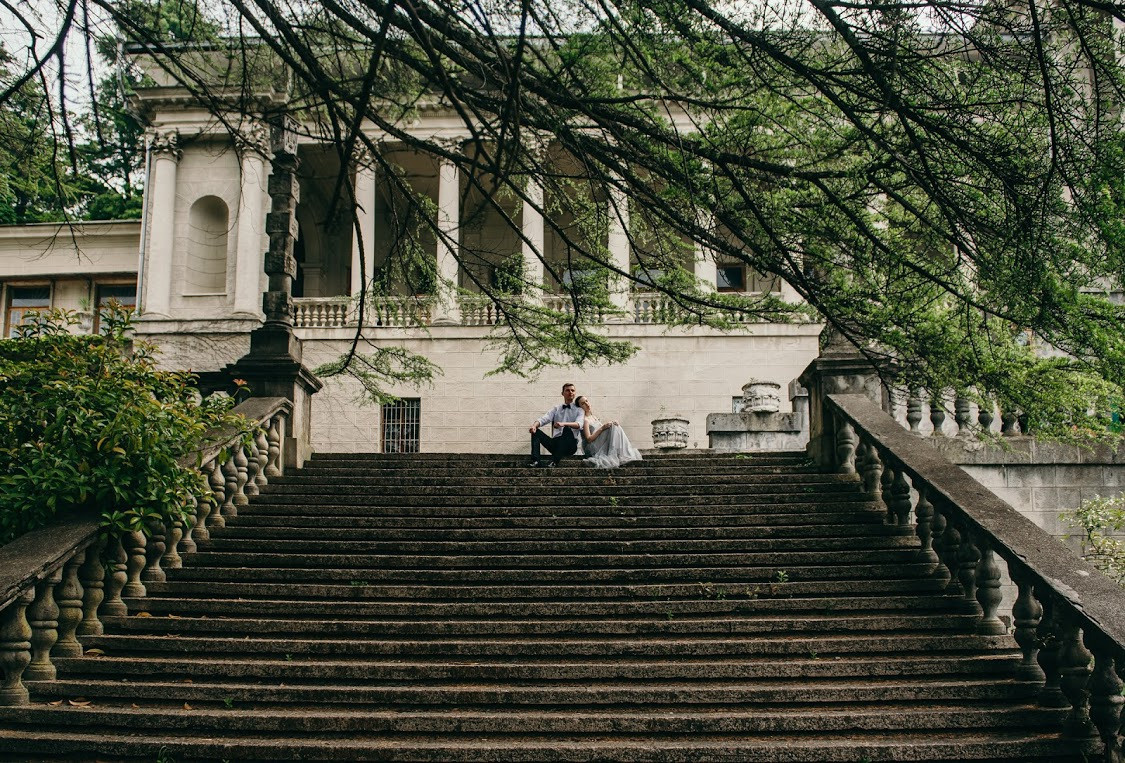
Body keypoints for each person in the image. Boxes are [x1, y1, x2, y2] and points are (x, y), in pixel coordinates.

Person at [575, 395, 643, 468]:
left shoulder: (594, 417)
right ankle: (622, 454)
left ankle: (623, 454)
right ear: (580, 408)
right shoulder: (585, 420)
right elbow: (589, 439)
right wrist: (603, 427)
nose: (586, 404)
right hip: (592, 447)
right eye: (583, 403)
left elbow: (604, 432)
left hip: (599, 443)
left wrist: (611, 424)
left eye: (586, 401)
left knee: (615, 425)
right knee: (612, 426)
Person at [528, 382, 584, 468]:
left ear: (575, 393)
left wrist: (563, 424)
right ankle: (536, 461)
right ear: (562, 393)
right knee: (536, 432)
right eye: (567, 390)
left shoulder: (579, 410)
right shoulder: (557, 408)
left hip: (570, 446)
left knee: (566, 429)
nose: (570, 392)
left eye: (572, 390)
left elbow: (579, 424)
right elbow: (544, 418)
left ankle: (555, 461)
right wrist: (534, 426)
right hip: (555, 444)